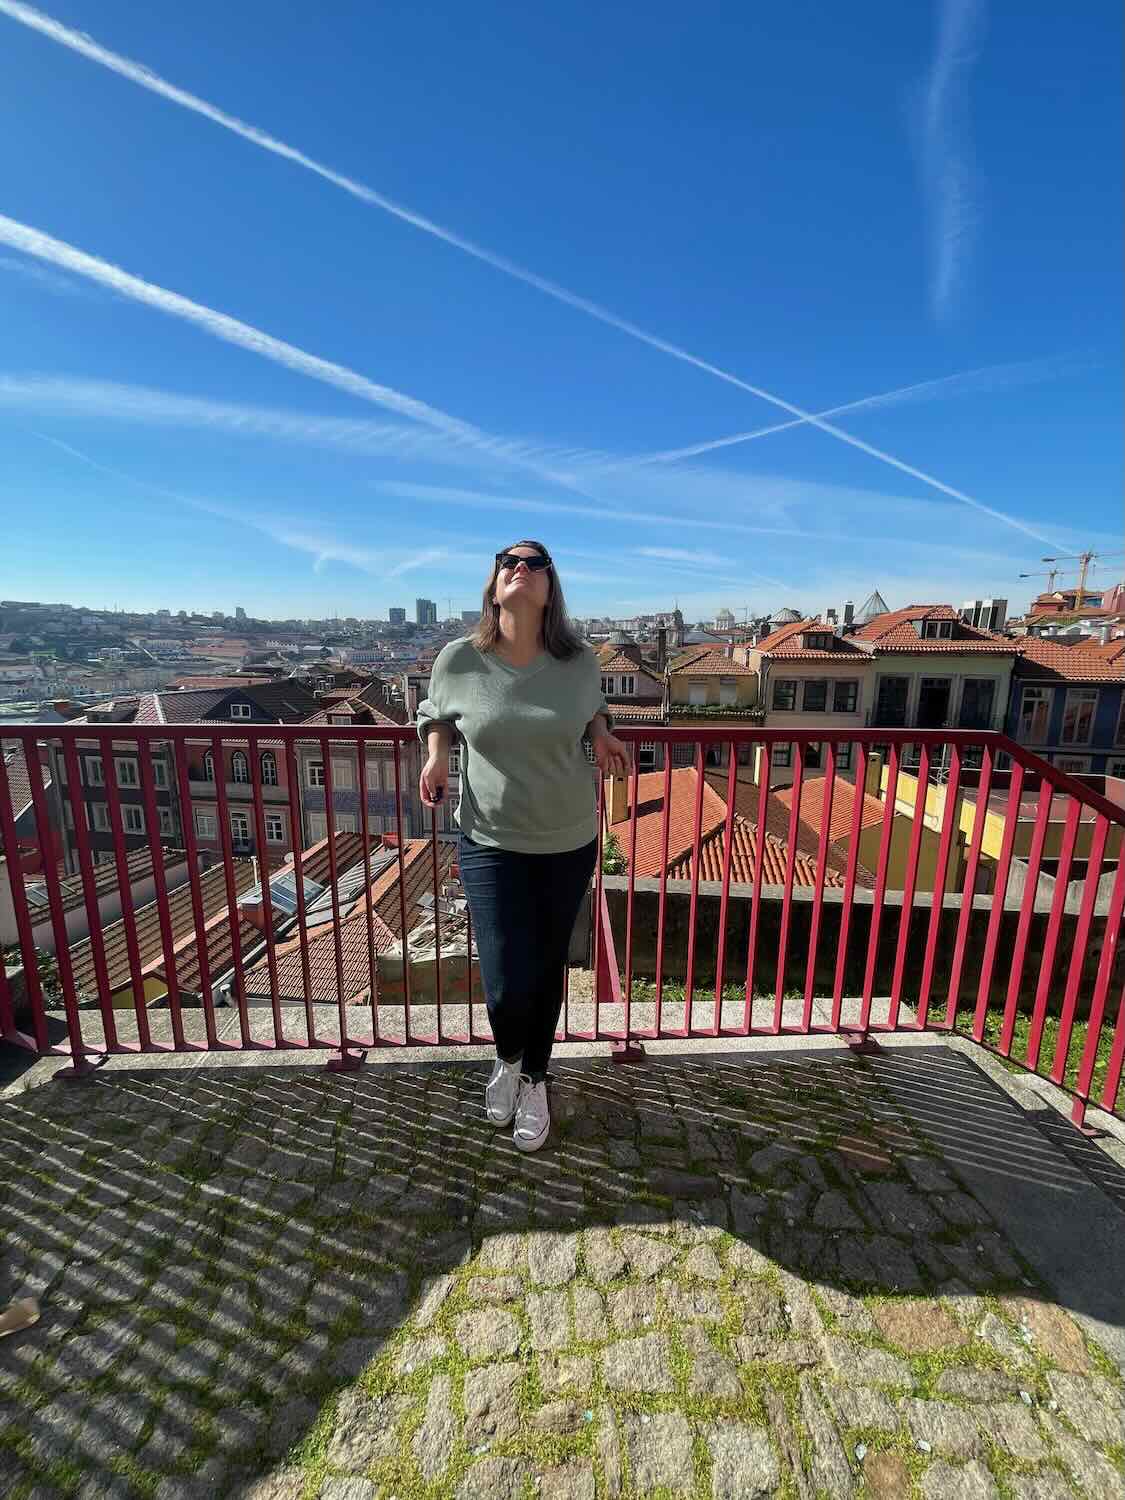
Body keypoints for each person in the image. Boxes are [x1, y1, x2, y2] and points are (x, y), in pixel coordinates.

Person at [416, 541, 629, 1151]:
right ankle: (509, 1057)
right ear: (494, 584)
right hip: (488, 837)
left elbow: (592, 708)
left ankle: (535, 1076)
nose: (521, 568)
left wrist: (604, 734)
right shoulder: (459, 659)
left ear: (550, 587)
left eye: (536, 562)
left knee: (545, 967)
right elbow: (438, 714)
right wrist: (435, 757)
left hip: (567, 838)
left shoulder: (579, 661)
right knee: (506, 973)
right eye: (509, 560)